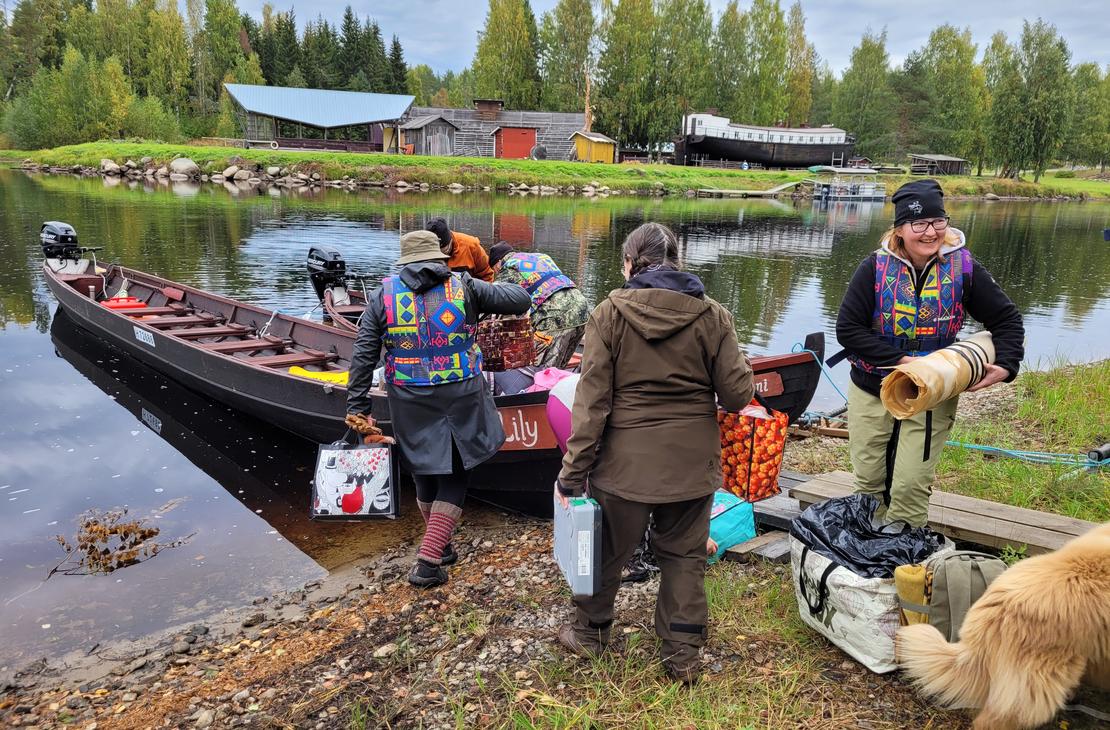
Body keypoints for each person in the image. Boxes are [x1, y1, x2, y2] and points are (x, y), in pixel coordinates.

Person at [554, 222, 754, 683]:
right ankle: (681, 659)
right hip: (692, 466)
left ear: (628, 263)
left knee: (607, 552)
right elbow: (738, 395)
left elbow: (592, 405)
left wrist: (572, 474)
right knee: (684, 558)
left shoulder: (608, 314)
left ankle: (590, 634)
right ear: (678, 261)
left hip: (624, 468)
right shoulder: (714, 316)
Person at [835, 179, 1024, 527]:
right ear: (900, 229)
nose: (930, 232)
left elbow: (1007, 319)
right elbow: (848, 331)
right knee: (868, 483)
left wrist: (1007, 364)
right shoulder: (873, 269)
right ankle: (865, 551)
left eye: (938, 222)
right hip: (871, 386)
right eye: (918, 224)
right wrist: (904, 362)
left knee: (909, 485)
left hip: (933, 390)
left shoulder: (964, 268)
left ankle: (904, 560)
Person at [346, 230, 530, 588]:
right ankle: (428, 563)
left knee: (424, 467)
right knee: (457, 472)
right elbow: (520, 299)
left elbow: (363, 355)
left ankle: (441, 546)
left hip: (409, 397)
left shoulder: (384, 295)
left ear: (405, 263)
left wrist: (358, 407)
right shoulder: (465, 286)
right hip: (460, 392)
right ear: (440, 259)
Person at [487, 242, 591, 369]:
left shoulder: (508, 269)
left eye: (494, 269)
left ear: (498, 262)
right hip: (582, 310)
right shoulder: (541, 257)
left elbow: (493, 300)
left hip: (554, 318)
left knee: (542, 373)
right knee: (560, 369)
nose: (496, 272)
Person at [426, 218, 495, 282]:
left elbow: (487, 275)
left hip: (469, 291)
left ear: (450, 241)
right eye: (436, 253)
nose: (441, 257)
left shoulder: (471, 246)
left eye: (443, 251)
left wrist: (481, 294)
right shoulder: (421, 251)